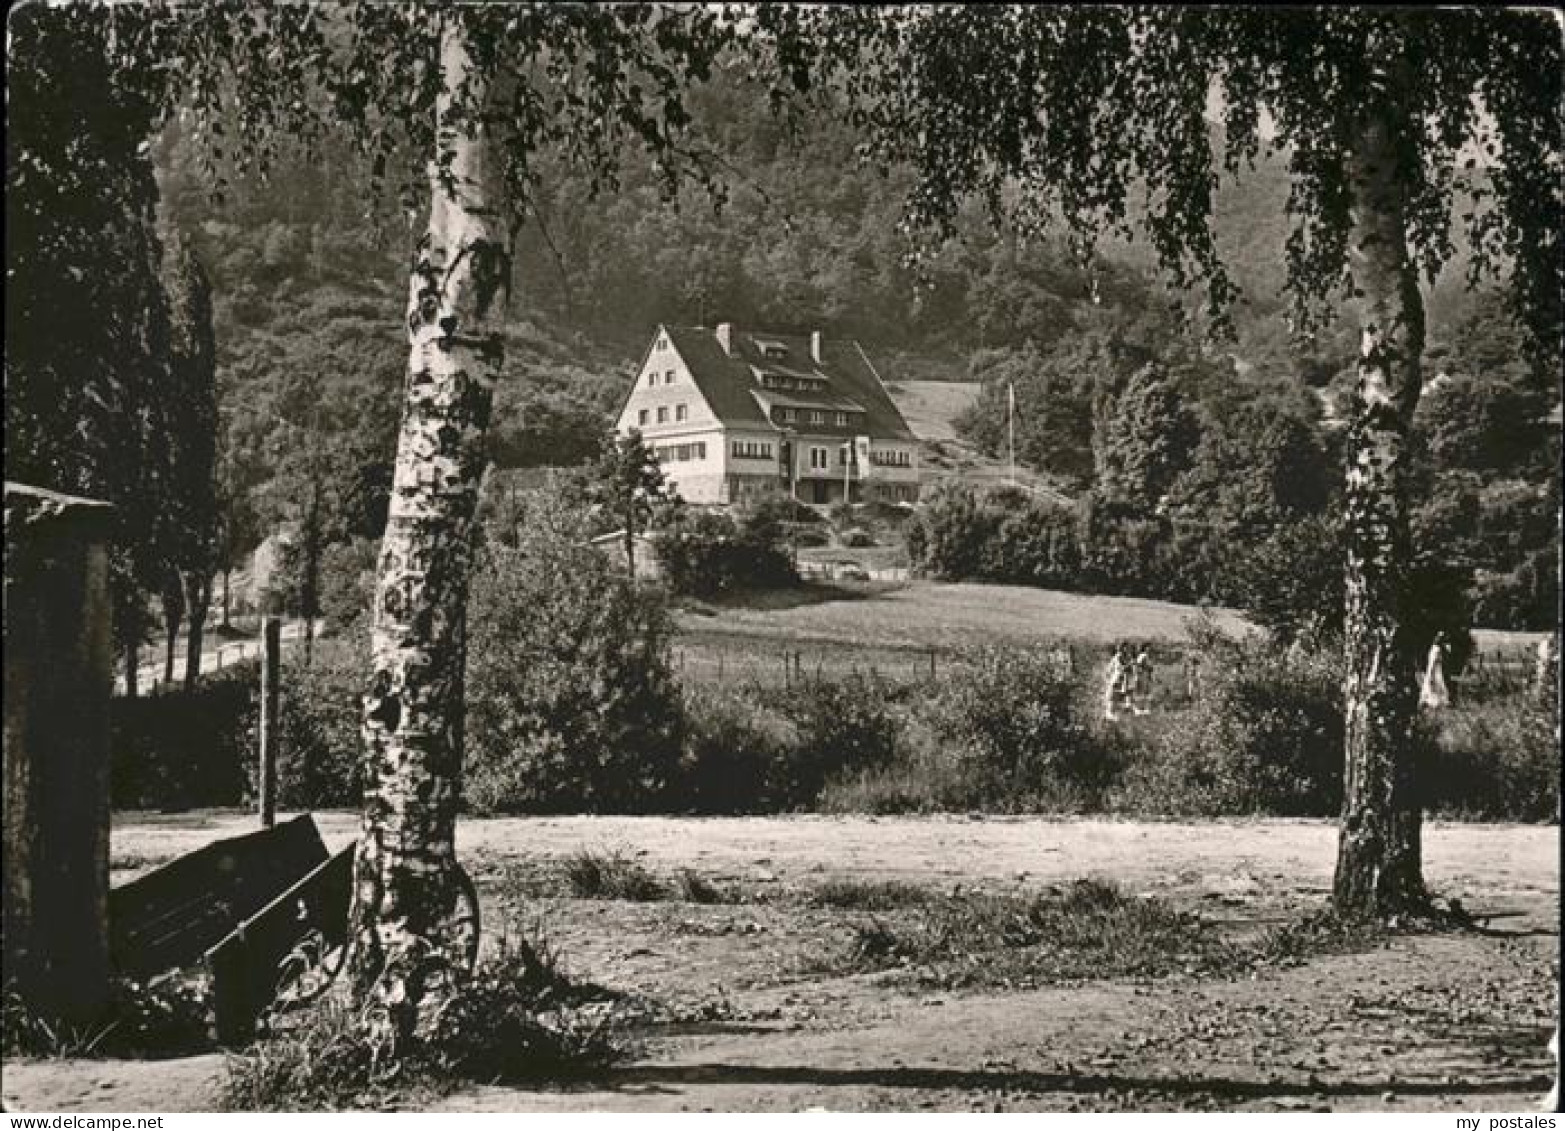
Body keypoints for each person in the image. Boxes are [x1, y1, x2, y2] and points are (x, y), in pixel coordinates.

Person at [1419, 631, 1451, 710]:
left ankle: (1437, 702)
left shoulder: (1439, 649)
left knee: (1439, 685)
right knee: (1437, 685)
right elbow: (1431, 662)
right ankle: (1433, 702)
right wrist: (1429, 674)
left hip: (1437, 669)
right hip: (1434, 670)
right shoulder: (1435, 649)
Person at [1103, 644, 1130, 721]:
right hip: (1117, 679)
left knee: (1116, 697)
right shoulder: (1118, 657)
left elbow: (1109, 669)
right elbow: (1119, 668)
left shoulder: (1122, 657)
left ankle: (1111, 714)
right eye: (1125, 648)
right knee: (1112, 696)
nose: (1127, 650)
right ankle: (1109, 714)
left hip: (1120, 680)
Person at [1131, 643, 1154, 715]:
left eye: (1149, 647)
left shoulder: (1147, 656)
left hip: (1146, 675)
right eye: (1148, 647)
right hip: (1142, 675)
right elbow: (1138, 665)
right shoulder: (1143, 655)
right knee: (1141, 692)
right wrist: (1138, 674)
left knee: (1146, 692)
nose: (1149, 649)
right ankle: (1138, 709)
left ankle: (1144, 709)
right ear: (1144, 648)